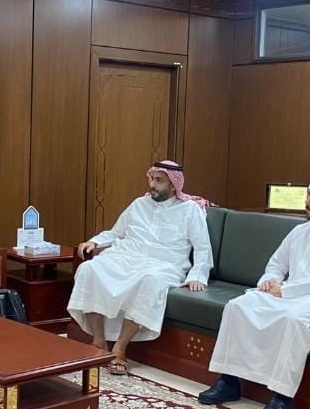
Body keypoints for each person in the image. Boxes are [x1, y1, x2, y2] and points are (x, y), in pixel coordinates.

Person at [198, 178, 310, 409]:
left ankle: (283, 398)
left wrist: (285, 290)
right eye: (309, 196)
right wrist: (269, 281)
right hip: (288, 294)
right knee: (238, 306)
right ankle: (229, 381)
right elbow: (277, 264)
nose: (307, 202)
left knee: (292, 321)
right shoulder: (300, 231)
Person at [68, 161, 212, 375]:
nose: (152, 185)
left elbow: (202, 247)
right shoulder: (138, 204)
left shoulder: (190, 210)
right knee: (89, 269)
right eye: (151, 179)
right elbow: (116, 233)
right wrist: (95, 242)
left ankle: (120, 348)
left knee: (150, 282)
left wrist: (197, 275)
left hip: (164, 264)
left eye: (159, 181)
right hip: (125, 256)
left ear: (174, 186)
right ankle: (98, 342)